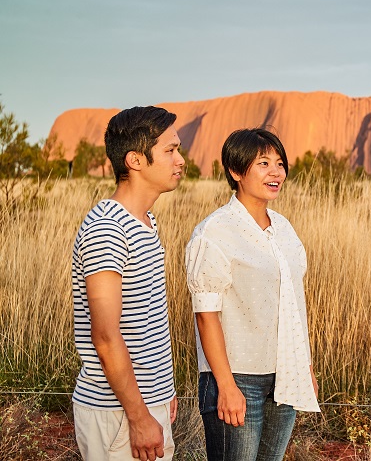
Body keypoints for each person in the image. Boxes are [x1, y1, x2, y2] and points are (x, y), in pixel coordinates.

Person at [185, 128, 320, 461]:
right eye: (263, 163)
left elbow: (293, 304)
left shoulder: (284, 228)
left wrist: (306, 368)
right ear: (236, 171)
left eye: (279, 163)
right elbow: (206, 315)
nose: (275, 172)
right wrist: (226, 387)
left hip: (286, 374)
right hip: (238, 378)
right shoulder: (215, 231)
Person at [71, 106, 184, 461]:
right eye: (170, 150)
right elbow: (105, 336)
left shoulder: (146, 221)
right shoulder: (108, 228)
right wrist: (138, 415)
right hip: (118, 414)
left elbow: (147, 321)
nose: (180, 160)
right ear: (135, 160)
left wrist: (163, 392)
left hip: (148, 405)